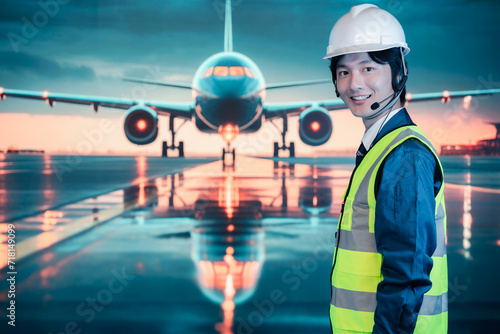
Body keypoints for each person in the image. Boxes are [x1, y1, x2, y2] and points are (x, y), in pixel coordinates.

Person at [324, 4, 448, 334]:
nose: (354, 84)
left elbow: (406, 276)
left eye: (368, 68)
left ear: (398, 71)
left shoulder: (403, 156)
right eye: (344, 71)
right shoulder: (379, 149)